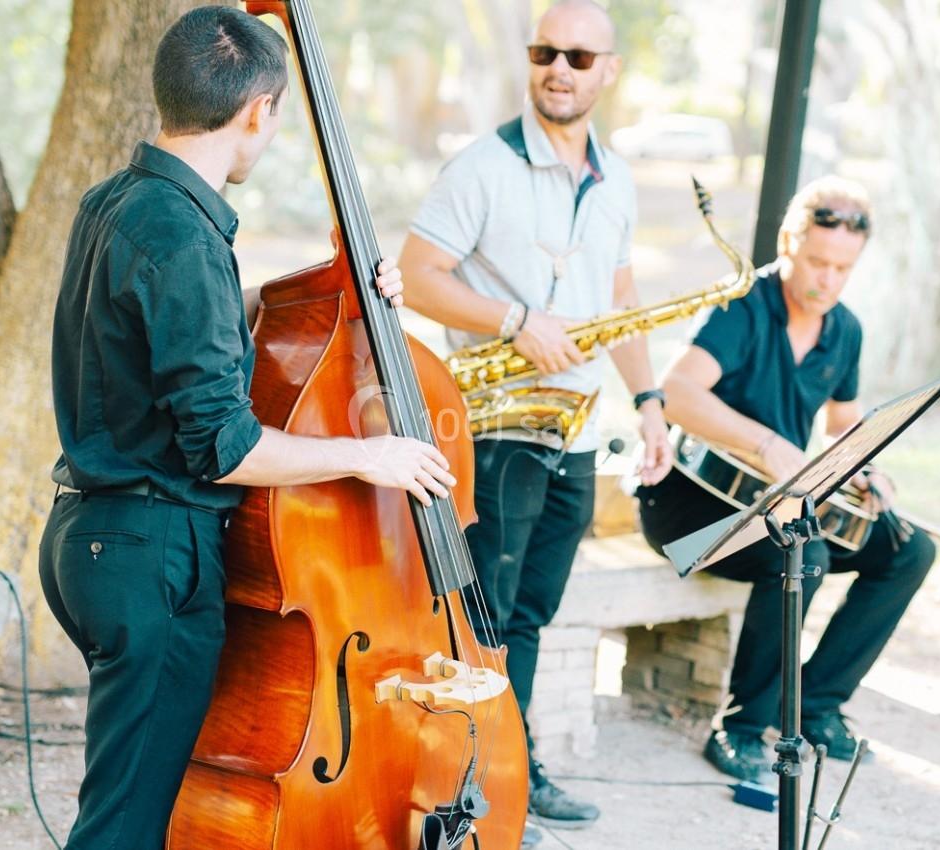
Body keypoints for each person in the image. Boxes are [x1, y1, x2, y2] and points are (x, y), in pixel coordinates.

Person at [38, 8, 455, 849]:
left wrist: (334, 295)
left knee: (131, 803)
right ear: (258, 111)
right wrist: (367, 453)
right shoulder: (185, 237)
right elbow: (226, 447)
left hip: (92, 541)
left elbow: (176, 329)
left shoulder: (118, 202)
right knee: (121, 829)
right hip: (152, 556)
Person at [400, 1, 672, 842]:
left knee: (533, 612)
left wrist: (652, 403)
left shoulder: (617, 178)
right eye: (546, 51)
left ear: (609, 71)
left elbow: (619, 302)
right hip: (499, 422)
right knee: (487, 612)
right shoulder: (482, 167)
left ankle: (510, 766)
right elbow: (415, 277)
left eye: (579, 57)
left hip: (581, 431)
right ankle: (473, 777)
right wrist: (516, 320)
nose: (560, 68)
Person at [637, 176, 936, 785]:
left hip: (771, 504)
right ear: (788, 243)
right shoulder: (744, 305)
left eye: (843, 269)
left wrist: (866, 469)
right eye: (818, 262)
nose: (828, 280)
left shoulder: (843, 329)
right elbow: (677, 392)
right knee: (804, 551)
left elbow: (844, 423)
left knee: (909, 550)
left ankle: (818, 707)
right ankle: (742, 729)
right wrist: (767, 442)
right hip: (690, 507)